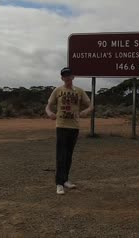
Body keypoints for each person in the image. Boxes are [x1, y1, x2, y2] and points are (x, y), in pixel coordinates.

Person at [45, 67, 93, 195]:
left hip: (74, 127)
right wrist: (49, 113)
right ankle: (59, 184)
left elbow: (91, 105)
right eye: (64, 76)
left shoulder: (80, 91)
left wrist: (85, 112)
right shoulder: (58, 91)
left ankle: (65, 180)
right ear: (62, 78)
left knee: (68, 156)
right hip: (61, 125)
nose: (67, 77)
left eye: (69, 75)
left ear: (73, 77)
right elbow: (48, 106)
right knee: (61, 155)